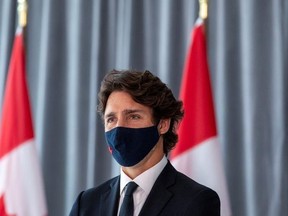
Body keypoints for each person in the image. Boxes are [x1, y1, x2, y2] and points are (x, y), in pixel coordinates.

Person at [69, 69, 220, 216]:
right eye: (111, 119)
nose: (119, 127)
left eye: (133, 116)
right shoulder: (86, 204)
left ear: (162, 125)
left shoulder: (197, 201)